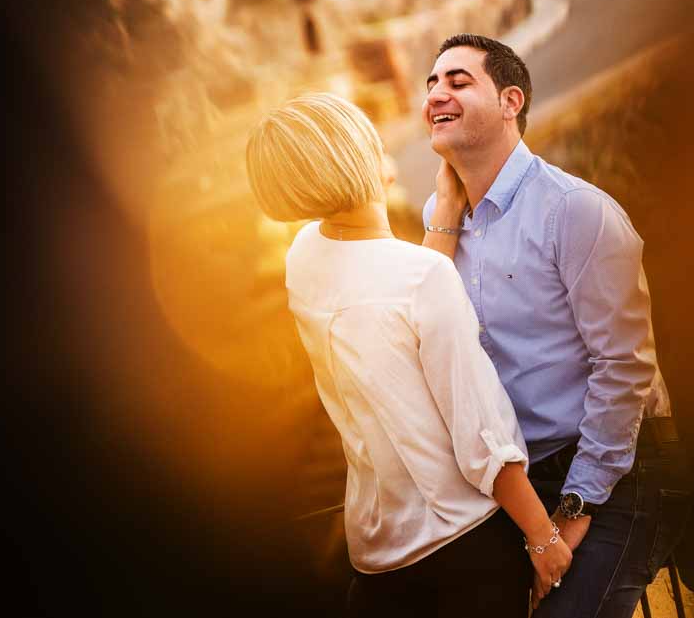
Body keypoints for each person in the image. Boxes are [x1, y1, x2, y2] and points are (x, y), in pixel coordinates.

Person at [245, 92, 572, 617]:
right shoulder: (422, 279)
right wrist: (542, 537)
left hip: (378, 559)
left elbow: (391, 300)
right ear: (357, 156)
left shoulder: (303, 258)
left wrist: (442, 218)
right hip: (466, 549)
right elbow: (480, 438)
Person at [419, 34, 686, 618]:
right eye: (432, 83)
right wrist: (442, 220)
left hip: (612, 471)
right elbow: (425, 337)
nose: (437, 93)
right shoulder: (439, 222)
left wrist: (573, 507)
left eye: (458, 81)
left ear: (512, 100)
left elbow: (624, 366)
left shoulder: (575, 210)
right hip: (516, 484)